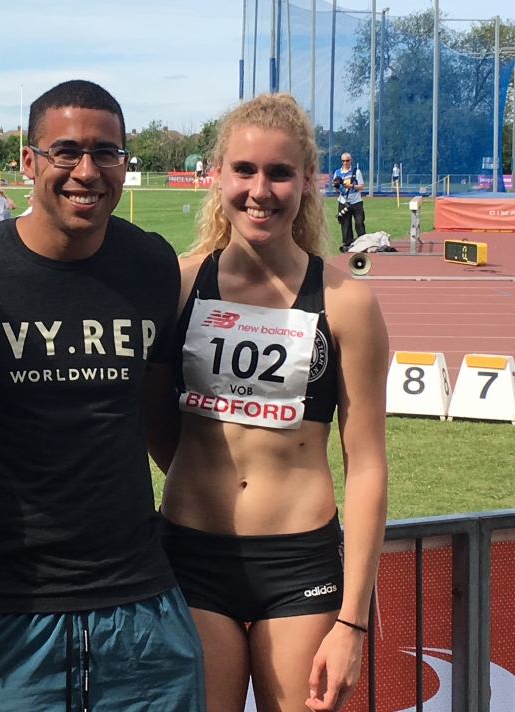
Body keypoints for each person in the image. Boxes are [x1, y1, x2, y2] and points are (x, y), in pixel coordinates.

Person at [0, 79, 205, 711]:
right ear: (27, 162)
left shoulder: (151, 265)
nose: (88, 172)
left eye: (108, 153)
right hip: (3, 610)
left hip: (141, 605)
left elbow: (156, 413)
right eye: (66, 151)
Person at [148, 93, 388, 712]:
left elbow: (365, 467)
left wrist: (353, 623)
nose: (261, 190)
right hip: (190, 556)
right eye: (245, 171)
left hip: (299, 563)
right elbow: (152, 417)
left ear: (309, 180)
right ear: (216, 175)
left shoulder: (347, 302)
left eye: (280, 173)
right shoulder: (177, 285)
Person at [333, 153, 366, 252]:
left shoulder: (356, 172)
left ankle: (363, 242)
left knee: (359, 222)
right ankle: (347, 244)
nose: (345, 163)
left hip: (356, 201)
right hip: (343, 201)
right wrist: (337, 186)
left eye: (347, 160)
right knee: (345, 224)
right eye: (343, 161)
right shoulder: (337, 172)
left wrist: (351, 186)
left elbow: (361, 187)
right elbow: (336, 190)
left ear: (351, 160)